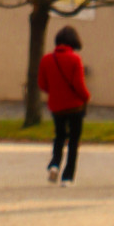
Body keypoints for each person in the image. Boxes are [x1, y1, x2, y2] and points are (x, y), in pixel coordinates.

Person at [39, 24, 91, 183]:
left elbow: (42, 84)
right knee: (74, 140)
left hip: (56, 106)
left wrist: (54, 92)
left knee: (59, 136)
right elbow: (78, 85)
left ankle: (54, 164)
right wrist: (87, 97)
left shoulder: (46, 59)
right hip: (75, 106)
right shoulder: (75, 59)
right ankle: (67, 176)